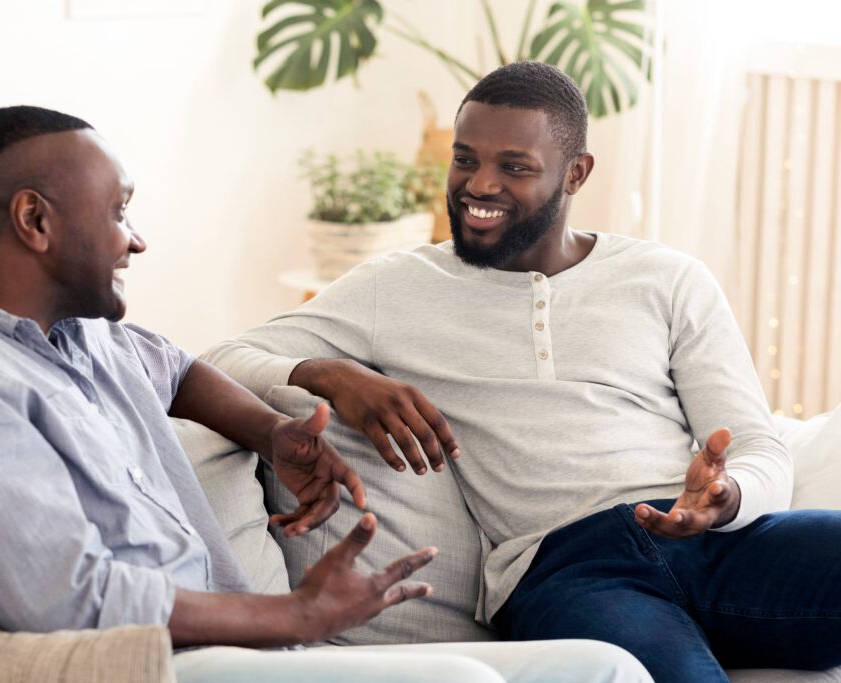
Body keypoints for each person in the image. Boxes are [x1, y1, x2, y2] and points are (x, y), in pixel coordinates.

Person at [0, 105, 652, 683]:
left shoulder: (75, 333)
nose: (136, 238)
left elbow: (175, 368)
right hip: (156, 668)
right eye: (118, 212)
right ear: (35, 221)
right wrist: (294, 615)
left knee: (607, 666)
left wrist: (270, 433)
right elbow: (66, 598)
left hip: (243, 656)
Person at [202, 61, 841, 682]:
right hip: (568, 572)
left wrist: (725, 499)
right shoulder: (394, 287)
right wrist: (333, 374)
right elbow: (217, 360)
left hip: (716, 544)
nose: (479, 185)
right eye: (465, 159)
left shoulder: (667, 278)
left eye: (514, 167)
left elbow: (757, 447)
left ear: (575, 174)